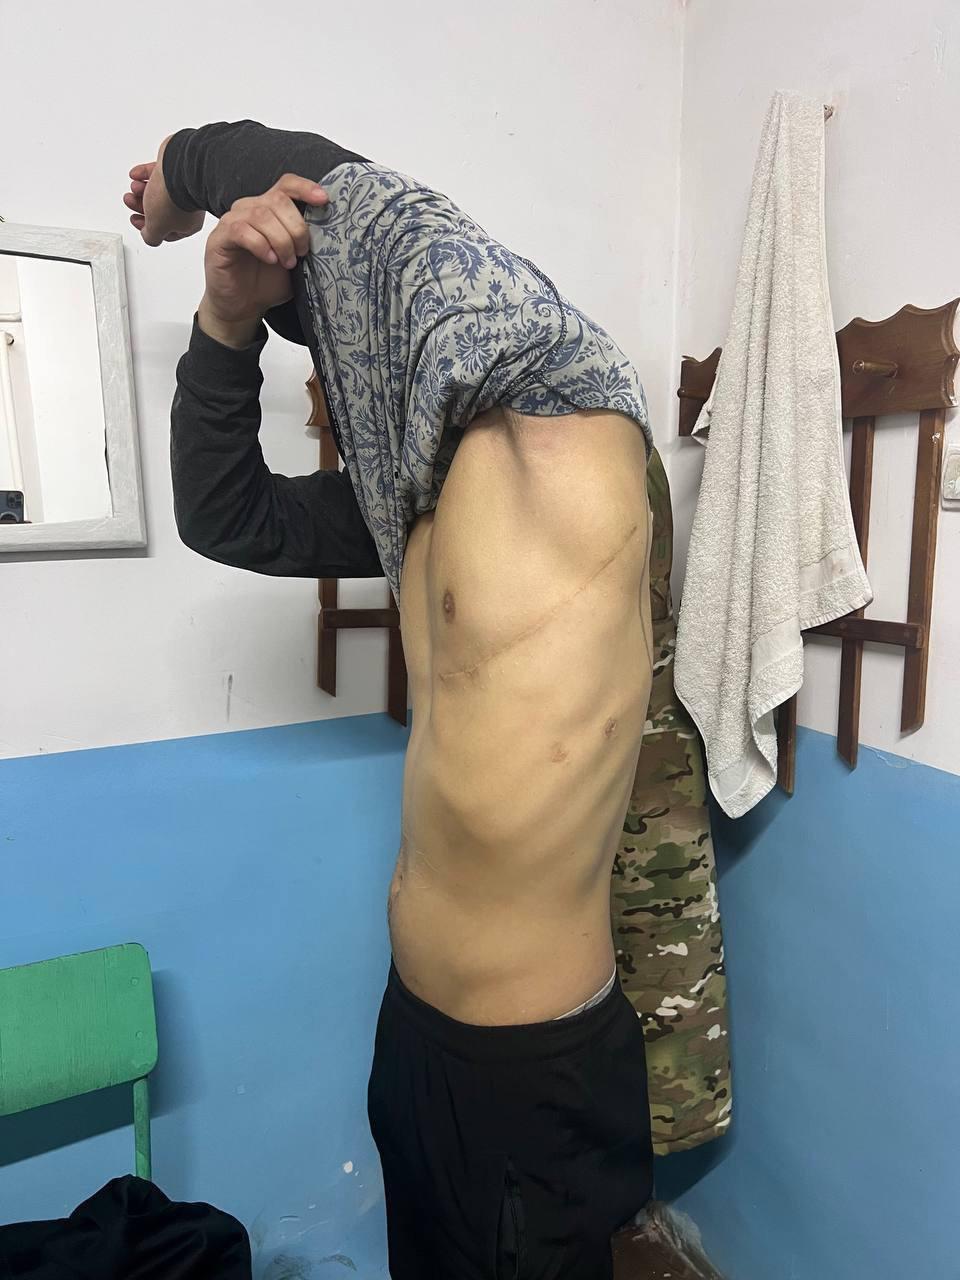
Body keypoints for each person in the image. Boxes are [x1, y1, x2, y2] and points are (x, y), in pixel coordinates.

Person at [125, 120, 655, 1279]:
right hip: (418, 1031)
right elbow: (227, 516)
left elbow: (367, 204)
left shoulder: (562, 426)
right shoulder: (410, 503)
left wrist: (181, 174)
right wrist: (225, 323)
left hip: (528, 1070)